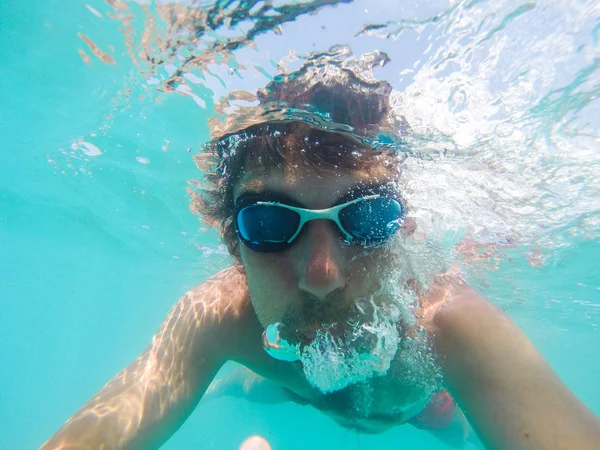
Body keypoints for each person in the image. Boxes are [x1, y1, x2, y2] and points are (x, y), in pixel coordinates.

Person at [41, 50, 600, 450]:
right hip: (292, 388)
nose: (321, 274)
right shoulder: (217, 319)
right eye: (268, 222)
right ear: (234, 247)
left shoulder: (450, 327)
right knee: (258, 388)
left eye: (368, 217)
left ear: (402, 230)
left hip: (417, 408)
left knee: (443, 425)